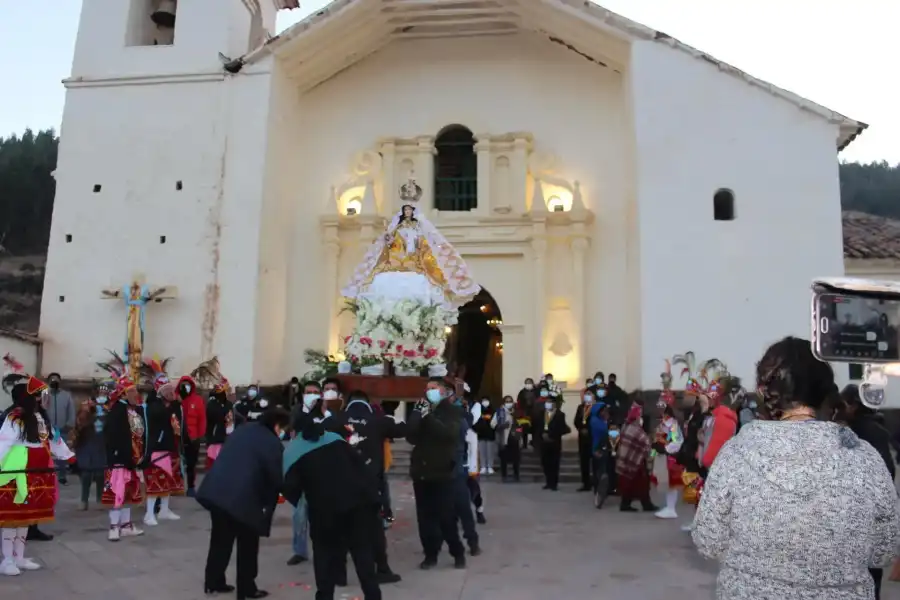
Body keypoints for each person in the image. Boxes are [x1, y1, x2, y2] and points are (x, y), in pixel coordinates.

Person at [692, 336, 900, 600]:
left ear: (764, 392)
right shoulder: (865, 459)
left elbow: (709, 542)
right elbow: (884, 550)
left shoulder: (735, 455)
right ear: (825, 392)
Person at [283, 399, 382, 600]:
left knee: (324, 557)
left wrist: (305, 501)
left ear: (295, 430)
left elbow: (289, 488)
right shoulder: (335, 439)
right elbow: (362, 469)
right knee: (363, 555)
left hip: (323, 512)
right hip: (358, 506)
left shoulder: (293, 450)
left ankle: (325, 596)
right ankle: (373, 596)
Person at [198, 407, 288, 599]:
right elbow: (276, 477)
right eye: (282, 428)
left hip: (216, 492)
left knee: (220, 540)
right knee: (248, 546)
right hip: (244, 499)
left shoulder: (244, 429)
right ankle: (247, 588)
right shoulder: (271, 442)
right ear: (277, 425)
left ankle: (213, 582)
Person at [0, 357, 75, 575]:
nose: (43, 399)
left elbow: (53, 440)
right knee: (11, 519)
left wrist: (70, 458)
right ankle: (7, 561)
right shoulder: (15, 418)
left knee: (25, 518)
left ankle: (19, 557)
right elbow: (3, 443)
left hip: (38, 474)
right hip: (17, 473)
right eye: (39, 396)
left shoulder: (40, 417)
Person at [332, 390, 405, 584]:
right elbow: (403, 430)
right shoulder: (379, 420)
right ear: (368, 403)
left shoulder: (336, 419)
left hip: (341, 484)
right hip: (369, 486)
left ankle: (339, 575)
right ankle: (381, 569)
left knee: (340, 531)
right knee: (374, 531)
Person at [839, 383, 897, 600]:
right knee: (872, 575)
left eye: (844, 404)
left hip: (857, 515)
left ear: (853, 405)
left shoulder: (854, 434)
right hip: (874, 517)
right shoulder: (878, 430)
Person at [407, 377, 467, 570]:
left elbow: (448, 434)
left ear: (443, 392)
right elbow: (411, 435)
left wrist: (428, 417)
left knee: (446, 517)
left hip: (443, 471)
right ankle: (430, 554)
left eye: (433, 388)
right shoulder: (420, 410)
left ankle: (457, 551)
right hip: (422, 471)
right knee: (425, 518)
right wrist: (417, 414)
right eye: (427, 389)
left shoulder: (453, 412)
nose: (429, 392)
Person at [96, 353, 147, 542]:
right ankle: (113, 527)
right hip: (120, 459)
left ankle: (126, 525)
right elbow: (111, 437)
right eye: (132, 392)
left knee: (129, 493)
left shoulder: (134, 410)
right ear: (124, 394)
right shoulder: (117, 411)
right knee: (118, 492)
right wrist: (118, 455)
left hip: (133, 459)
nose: (136, 395)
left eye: (136, 391)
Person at [140, 359, 185, 527]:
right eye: (167, 390)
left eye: (171, 390)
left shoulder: (172, 406)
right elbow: (157, 421)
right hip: (156, 449)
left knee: (168, 481)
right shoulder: (153, 406)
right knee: (155, 482)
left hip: (170, 447)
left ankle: (164, 510)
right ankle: (149, 514)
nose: (171, 393)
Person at [71, 382, 110, 510]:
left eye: (105, 393)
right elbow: (79, 422)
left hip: (102, 442)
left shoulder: (111, 406)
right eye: (101, 392)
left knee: (100, 473)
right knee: (86, 473)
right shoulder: (86, 404)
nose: (102, 395)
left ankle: (100, 498)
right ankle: (84, 500)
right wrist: (89, 412)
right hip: (87, 441)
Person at [616, 404, 657, 512]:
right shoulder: (637, 430)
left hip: (628, 460)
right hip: (636, 462)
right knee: (642, 483)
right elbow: (646, 444)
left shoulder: (626, 427)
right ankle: (645, 504)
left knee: (631, 483)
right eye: (640, 416)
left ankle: (628, 504)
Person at [536, 384, 570, 491]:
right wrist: (541, 435)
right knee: (545, 462)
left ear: (554, 404)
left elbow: (563, 428)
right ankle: (548, 482)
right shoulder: (542, 414)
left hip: (554, 442)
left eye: (550, 403)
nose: (548, 404)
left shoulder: (560, 415)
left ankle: (554, 483)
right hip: (544, 442)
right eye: (547, 402)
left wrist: (551, 435)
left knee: (554, 463)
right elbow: (538, 426)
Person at [42, 372, 74, 485]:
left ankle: (62, 476)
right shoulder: (45, 394)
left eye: (56, 380)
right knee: (46, 453)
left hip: (61, 429)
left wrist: (69, 424)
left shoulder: (66, 395)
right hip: (47, 429)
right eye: (52, 380)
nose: (54, 382)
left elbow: (71, 411)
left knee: (61, 453)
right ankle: (46, 476)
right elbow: (41, 409)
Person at [177, 374, 206, 497]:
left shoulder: (197, 400)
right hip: (178, 436)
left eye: (188, 385)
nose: (186, 388)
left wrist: (199, 436)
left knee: (191, 463)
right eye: (183, 386)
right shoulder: (177, 400)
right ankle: (176, 487)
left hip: (193, 437)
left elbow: (202, 419)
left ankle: (191, 487)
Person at [205, 383, 235, 472]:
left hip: (226, 437)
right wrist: (223, 416)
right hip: (214, 437)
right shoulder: (211, 404)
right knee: (213, 462)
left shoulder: (229, 404)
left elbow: (231, 418)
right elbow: (211, 417)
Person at [588, 401, 610, 507]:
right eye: (603, 410)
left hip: (603, 448)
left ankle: (601, 493)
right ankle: (598, 493)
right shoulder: (596, 421)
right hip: (597, 449)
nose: (606, 412)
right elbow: (604, 432)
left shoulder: (601, 420)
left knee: (602, 472)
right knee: (600, 473)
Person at [574, 388, 596, 491]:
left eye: (589, 394)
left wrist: (589, 430)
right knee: (584, 462)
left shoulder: (596, 407)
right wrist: (581, 429)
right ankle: (586, 483)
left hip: (593, 438)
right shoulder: (580, 407)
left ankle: (596, 482)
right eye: (585, 394)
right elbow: (576, 421)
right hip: (583, 439)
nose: (586, 396)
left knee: (595, 462)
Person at [496, 395, 520, 481]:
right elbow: (493, 424)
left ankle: (516, 475)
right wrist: (502, 425)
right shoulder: (500, 412)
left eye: (510, 401)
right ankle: (504, 475)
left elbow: (521, 423)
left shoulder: (516, 412)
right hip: (504, 437)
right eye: (507, 401)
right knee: (504, 458)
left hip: (514, 437)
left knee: (516, 458)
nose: (509, 403)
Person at [473, 396, 496, 475]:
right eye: (483, 400)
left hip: (490, 433)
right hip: (481, 433)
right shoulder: (478, 410)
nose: (485, 402)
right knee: (482, 451)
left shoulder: (493, 410)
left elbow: (495, 421)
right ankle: (483, 466)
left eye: (487, 400)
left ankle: (490, 466)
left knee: (490, 451)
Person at [516, 378, 537, 447]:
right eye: (527, 383)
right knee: (524, 429)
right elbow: (519, 402)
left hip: (534, 413)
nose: (528, 384)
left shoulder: (536, 391)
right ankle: (524, 444)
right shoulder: (522, 392)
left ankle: (534, 443)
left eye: (530, 383)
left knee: (535, 429)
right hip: (524, 413)